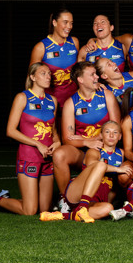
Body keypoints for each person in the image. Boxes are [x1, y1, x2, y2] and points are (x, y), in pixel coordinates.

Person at [0, 63, 60, 215]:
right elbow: (10, 131)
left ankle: (5, 198)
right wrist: (37, 144)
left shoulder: (52, 101)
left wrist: (57, 143)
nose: (48, 76)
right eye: (43, 73)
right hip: (29, 156)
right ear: (32, 77)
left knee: (44, 210)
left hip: (47, 158)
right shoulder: (22, 97)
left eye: (49, 74)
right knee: (29, 211)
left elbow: (53, 131)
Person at [40, 121, 133, 222]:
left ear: (120, 136)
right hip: (77, 193)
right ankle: (82, 207)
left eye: (115, 132)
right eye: (107, 132)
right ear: (101, 135)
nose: (111, 135)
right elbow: (93, 164)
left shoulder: (121, 154)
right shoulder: (94, 151)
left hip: (96, 199)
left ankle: (65, 215)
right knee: (100, 165)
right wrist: (117, 169)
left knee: (108, 208)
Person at [52, 61, 121, 195]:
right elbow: (67, 139)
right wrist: (86, 142)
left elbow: (116, 129)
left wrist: (89, 138)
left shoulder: (106, 95)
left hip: (106, 149)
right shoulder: (71, 103)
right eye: (92, 75)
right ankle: (66, 198)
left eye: (96, 74)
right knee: (59, 154)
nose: (97, 77)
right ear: (80, 80)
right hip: (82, 153)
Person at [29, 8, 79, 106]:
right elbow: (30, 79)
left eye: (71, 23)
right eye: (65, 22)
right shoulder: (41, 47)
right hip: (50, 103)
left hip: (73, 101)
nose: (69, 26)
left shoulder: (74, 42)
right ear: (54, 22)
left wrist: (92, 39)